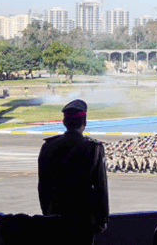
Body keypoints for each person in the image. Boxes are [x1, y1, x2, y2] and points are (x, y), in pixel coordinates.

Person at [37, 99, 109, 244]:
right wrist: (102, 218)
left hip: (56, 216)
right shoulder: (93, 148)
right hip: (84, 219)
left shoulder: (48, 147)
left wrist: (48, 215)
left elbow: (43, 187)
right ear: (84, 122)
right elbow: (101, 187)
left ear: (64, 122)